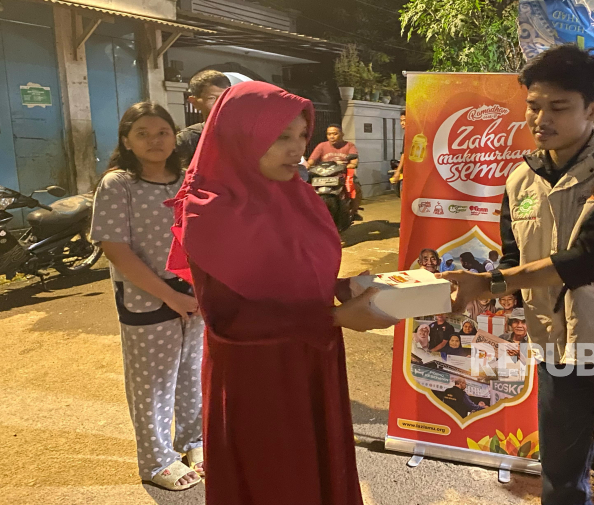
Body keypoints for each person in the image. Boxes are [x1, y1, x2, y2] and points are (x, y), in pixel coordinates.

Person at [439, 45, 594, 505]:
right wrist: (450, 294)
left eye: (557, 107)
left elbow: (592, 259)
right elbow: (512, 262)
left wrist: (491, 284)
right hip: (558, 350)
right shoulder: (518, 180)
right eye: (533, 106)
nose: (539, 119)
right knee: (562, 483)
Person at [166, 82, 391, 505]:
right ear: (239, 135)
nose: (297, 150)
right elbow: (230, 320)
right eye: (280, 137)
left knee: (318, 469)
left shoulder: (296, 194)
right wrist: (338, 318)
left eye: (301, 136)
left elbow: (291, 276)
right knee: (276, 480)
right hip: (258, 376)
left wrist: (346, 288)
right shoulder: (211, 209)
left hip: (311, 356)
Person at [91, 102, 204, 491]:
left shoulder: (189, 179)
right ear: (126, 140)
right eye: (143, 133)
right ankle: (156, 460)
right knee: (152, 383)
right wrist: (169, 296)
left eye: (162, 132)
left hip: (195, 295)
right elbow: (115, 249)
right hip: (147, 298)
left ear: (175, 137)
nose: (155, 140)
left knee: (193, 372)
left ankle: (194, 440)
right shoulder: (118, 183)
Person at [176, 70, 231, 165]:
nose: (221, 104)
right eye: (212, 98)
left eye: (225, 98)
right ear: (194, 102)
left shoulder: (245, 136)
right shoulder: (187, 139)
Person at [308, 124, 362, 218]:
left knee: (356, 187)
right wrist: (306, 166)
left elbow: (354, 161)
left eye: (335, 134)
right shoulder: (322, 146)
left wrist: (350, 165)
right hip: (323, 176)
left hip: (342, 174)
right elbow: (311, 161)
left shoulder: (349, 145)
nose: (331, 136)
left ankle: (354, 211)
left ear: (342, 134)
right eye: (329, 134)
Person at [390, 111, 406, 185]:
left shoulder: (410, 135)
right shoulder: (407, 134)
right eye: (401, 121)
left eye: (404, 120)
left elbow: (404, 154)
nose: (402, 123)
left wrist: (398, 171)